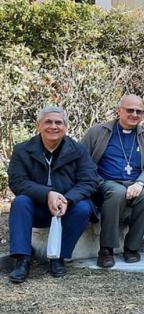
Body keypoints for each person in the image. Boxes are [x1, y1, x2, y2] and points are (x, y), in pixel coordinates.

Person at [7, 107, 97, 283]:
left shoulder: (79, 151)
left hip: (65, 209)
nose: (53, 126)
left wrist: (68, 199)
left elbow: (89, 181)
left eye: (58, 122)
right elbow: (17, 182)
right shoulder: (22, 150)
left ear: (66, 127)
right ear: (38, 125)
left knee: (83, 207)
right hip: (36, 207)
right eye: (48, 122)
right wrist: (48, 194)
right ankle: (22, 260)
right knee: (20, 202)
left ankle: (58, 258)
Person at [80, 95, 144, 268]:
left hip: (137, 182)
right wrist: (95, 180)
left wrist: (140, 183)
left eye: (139, 111)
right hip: (105, 182)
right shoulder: (98, 131)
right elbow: (83, 159)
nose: (134, 114)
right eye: (129, 110)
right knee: (117, 193)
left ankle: (132, 248)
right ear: (119, 111)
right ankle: (106, 249)